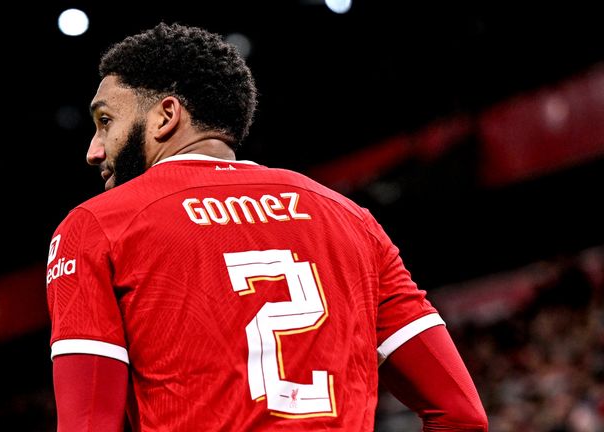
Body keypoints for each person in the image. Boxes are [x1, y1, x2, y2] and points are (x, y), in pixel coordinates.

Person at [45, 22, 489, 431]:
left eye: (106, 122)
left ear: (166, 116)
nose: (94, 150)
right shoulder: (350, 218)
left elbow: (88, 425)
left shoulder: (97, 226)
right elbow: (461, 414)